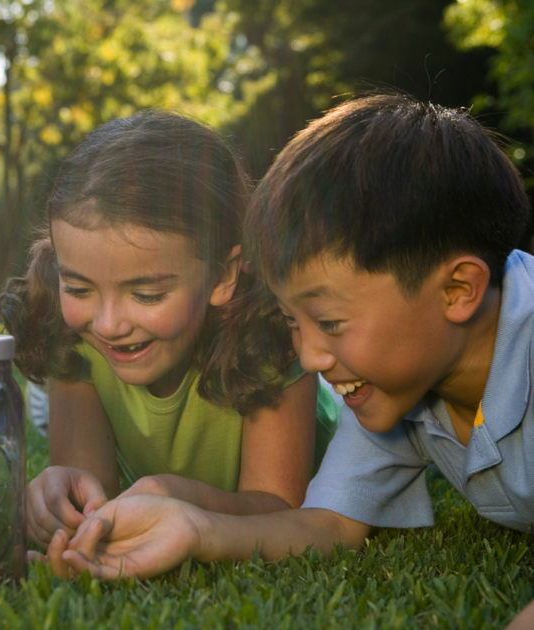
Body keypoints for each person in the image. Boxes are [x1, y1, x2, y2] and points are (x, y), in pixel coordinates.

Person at [43, 94, 534, 585]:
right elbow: (330, 524)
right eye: (293, 322)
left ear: (457, 290)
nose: (308, 357)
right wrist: (195, 527)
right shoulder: (394, 388)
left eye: (331, 323)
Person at [0, 111, 340, 565]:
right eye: (79, 289)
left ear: (221, 275)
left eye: (147, 294)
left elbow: (277, 505)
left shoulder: (273, 338)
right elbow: (93, 491)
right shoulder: (78, 341)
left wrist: (174, 495)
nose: (109, 324)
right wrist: (62, 493)